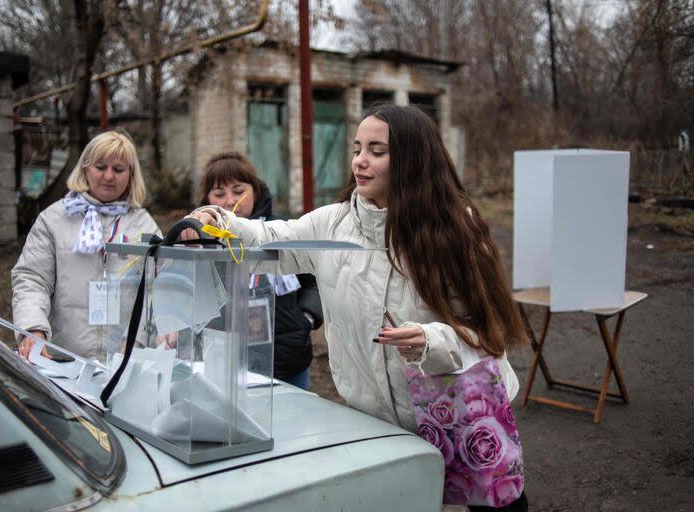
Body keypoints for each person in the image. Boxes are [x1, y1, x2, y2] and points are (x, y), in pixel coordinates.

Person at [185, 105, 529, 511]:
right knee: (411, 502)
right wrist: (220, 223)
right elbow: (270, 237)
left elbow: (488, 333)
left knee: (497, 504)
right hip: (379, 420)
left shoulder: (456, 228)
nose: (360, 161)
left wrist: (430, 340)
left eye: (377, 151)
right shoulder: (333, 223)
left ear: (411, 159)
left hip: (460, 406)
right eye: (357, 148)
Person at [12, 131, 160, 362]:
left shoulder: (144, 225)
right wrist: (32, 328)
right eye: (101, 167)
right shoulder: (54, 219)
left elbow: (157, 289)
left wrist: (136, 342)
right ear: (85, 169)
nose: (109, 176)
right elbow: (32, 279)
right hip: (62, 360)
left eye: (119, 170)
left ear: (131, 175)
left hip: (125, 363)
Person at [197, 151, 324, 389]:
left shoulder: (281, 231)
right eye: (219, 193)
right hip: (223, 361)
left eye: (238, 191)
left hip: (287, 360)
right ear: (206, 198)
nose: (229, 200)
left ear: (255, 190)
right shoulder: (198, 242)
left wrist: (306, 317)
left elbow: (315, 279)